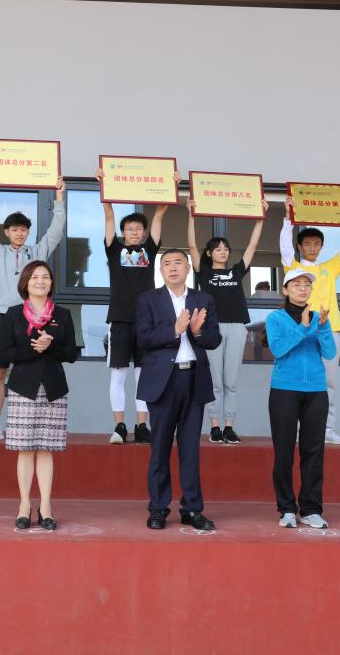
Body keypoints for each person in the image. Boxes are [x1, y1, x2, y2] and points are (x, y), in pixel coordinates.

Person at [0, 175, 66, 441]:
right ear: (6, 232)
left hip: (32, 318)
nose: (19, 233)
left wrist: (59, 198)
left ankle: (31, 425)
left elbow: (55, 232)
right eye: (14, 229)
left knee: (32, 371)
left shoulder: (36, 253)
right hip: (2, 316)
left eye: (24, 229)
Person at [136, 248, 221, 531]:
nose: (172, 268)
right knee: (159, 448)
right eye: (167, 264)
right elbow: (143, 338)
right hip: (163, 382)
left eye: (178, 263)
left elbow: (214, 339)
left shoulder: (203, 299)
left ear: (187, 268)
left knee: (190, 449)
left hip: (194, 379)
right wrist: (174, 330)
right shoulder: (148, 299)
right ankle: (158, 508)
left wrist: (196, 332)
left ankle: (192, 509)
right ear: (161, 271)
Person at [280, 196, 340, 445]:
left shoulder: (330, 268)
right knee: (301, 379)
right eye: (307, 243)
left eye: (317, 244)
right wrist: (288, 218)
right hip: (301, 331)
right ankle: (300, 430)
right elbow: (284, 248)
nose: (312, 247)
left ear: (321, 247)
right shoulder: (293, 268)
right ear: (300, 246)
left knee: (329, 381)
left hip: (329, 331)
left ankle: (327, 429)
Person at [96, 168, 178, 445]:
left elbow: (159, 217)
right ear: (123, 232)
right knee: (118, 375)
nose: (134, 232)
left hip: (146, 322)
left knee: (144, 375)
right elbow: (108, 215)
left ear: (143, 234)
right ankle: (119, 426)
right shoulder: (114, 250)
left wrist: (167, 193)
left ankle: (142, 426)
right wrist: (104, 186)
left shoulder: (148, 251)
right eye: (129, 229)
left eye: (138, 229)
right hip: (119, 320)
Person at [0, 260, 78, 531]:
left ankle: (45, 507)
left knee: (46, 449)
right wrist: (35, 349)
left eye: (45, 277)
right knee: (25, 449)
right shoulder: (12, 314)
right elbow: (4, 353)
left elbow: (72, 354)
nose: (40, 281)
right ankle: (24, 505)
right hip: (23, 387)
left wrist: (51, 345)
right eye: (34, 277)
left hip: (54, 388)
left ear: (51, 283)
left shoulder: (63, 315)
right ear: (26, 282)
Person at [187, 198, 268, 444]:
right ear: (209, 253)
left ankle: (229, 426)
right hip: (211, 329)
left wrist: (260, 219)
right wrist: (191, 215)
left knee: (230, 381)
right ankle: (214, 426)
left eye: (225, 248)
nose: (223, 251)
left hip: (236, 327)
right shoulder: (204, 272)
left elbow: (253, 245)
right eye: (218, 248)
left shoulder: (236, 271)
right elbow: (191, 246)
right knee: (214, 382)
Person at [266, 269, 337, 529]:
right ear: (285, 290)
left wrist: (323, 327)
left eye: (307, 284)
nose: (303, 289)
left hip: (316, 391)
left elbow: (330, 353)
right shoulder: (275, 318)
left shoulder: (320, 318)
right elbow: (277, 349)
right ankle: (286, 508)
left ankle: (311, 509)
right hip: (284, 390)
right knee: (284, 452)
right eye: (296, 284)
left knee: (314, 451)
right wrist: (303, 327)